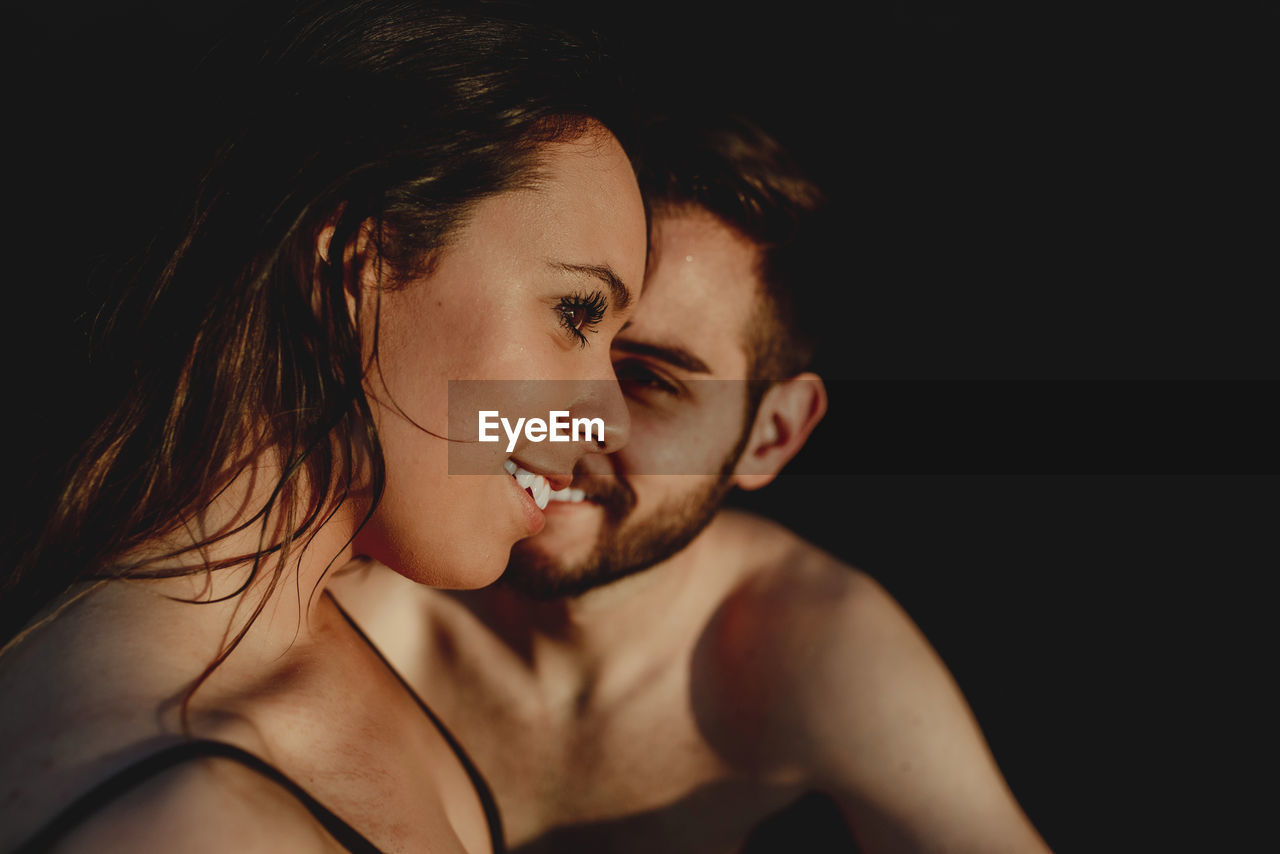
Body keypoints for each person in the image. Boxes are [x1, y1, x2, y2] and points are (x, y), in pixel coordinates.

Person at [0, 1, 647, 851]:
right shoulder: (182, 823)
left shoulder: (312, 625)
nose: (611, 420)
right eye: (575, 311)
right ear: (350, 265)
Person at [331, 115, 1053, 853]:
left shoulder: (805, 648)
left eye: (647, 379)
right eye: (562, 332)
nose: (577, 420)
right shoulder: (352, 590)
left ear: (772, 433)